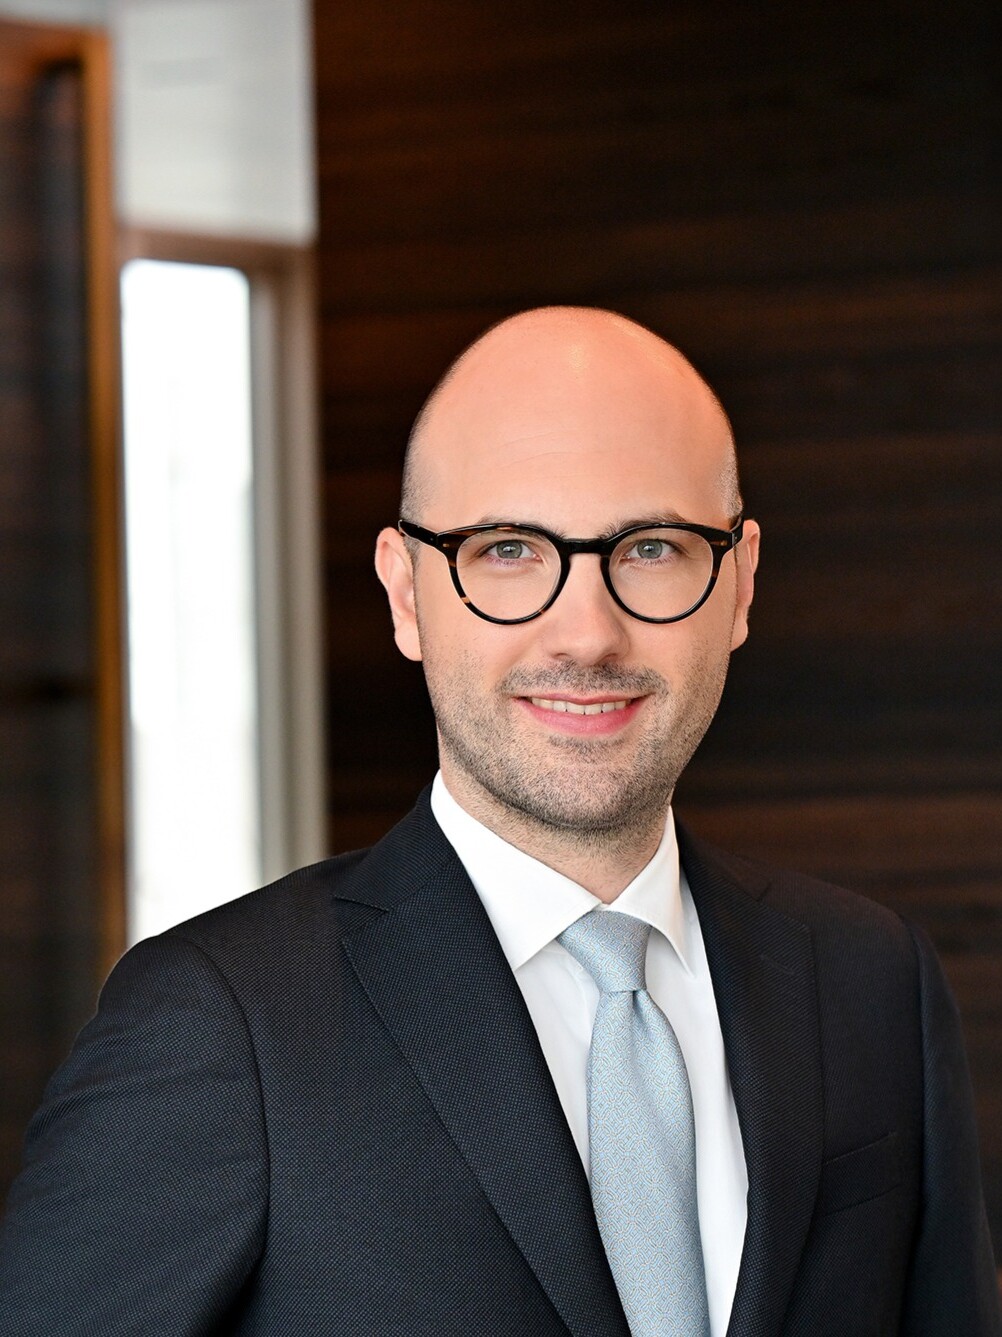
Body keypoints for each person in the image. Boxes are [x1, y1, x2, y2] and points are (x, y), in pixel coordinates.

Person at [0, 307, 998, 1335]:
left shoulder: (874, 981)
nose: (588, 633)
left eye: (651, 546)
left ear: (740, 583)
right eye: (510, 548)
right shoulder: (222, 1024)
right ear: (406, 593)